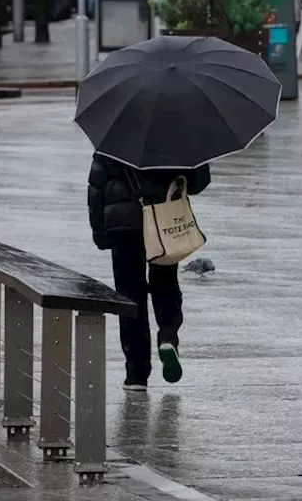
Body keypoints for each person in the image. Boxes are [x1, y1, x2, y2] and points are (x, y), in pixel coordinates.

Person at [87, 153, 211, 391]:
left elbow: (96, 190)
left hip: (123, 226)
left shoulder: (112, 140)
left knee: (129, 294)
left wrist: (100, 234)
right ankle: (168, 338)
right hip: (163, 222)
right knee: (165, 284)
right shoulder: (176, 138)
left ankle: (136, 375)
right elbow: (198, 183)